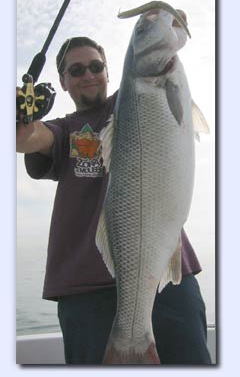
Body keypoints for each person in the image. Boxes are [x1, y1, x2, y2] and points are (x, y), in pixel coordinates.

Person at [16, 35, 212, 365]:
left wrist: (164, 27)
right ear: (63, 82)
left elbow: (161, 55)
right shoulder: (63, 130)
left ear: (109, 72)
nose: (88, 75)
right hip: (85, 288)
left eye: (96, 66)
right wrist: (17, 117)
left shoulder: (140, 98)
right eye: (76, 70)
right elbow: (29, 137)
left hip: (166, 277)